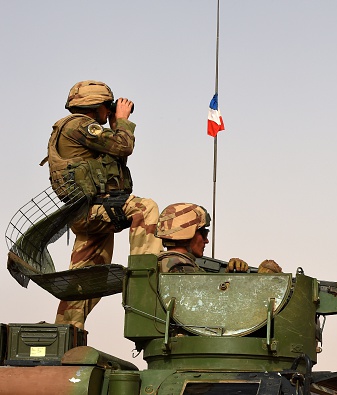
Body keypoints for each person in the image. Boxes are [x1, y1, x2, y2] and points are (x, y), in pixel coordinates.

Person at [41, 80, 163, 329]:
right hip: (93, 210)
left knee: (83, 282)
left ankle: (66, 332)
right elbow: (123, 145)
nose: (108, 114)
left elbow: (115, 154)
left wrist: (116, 126)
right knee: (145, 208)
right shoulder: (80, 125)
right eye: (107, 108)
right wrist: (124, 121)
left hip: (88, 213)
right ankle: (146, 279)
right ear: (96, 106)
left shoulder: (77, 128)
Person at [155, 203, 282, 274]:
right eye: (203, 234)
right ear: (186, 234)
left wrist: (229, 274)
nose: (206, 241)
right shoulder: (179, 268)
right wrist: (262, 282)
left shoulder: (161, 265)